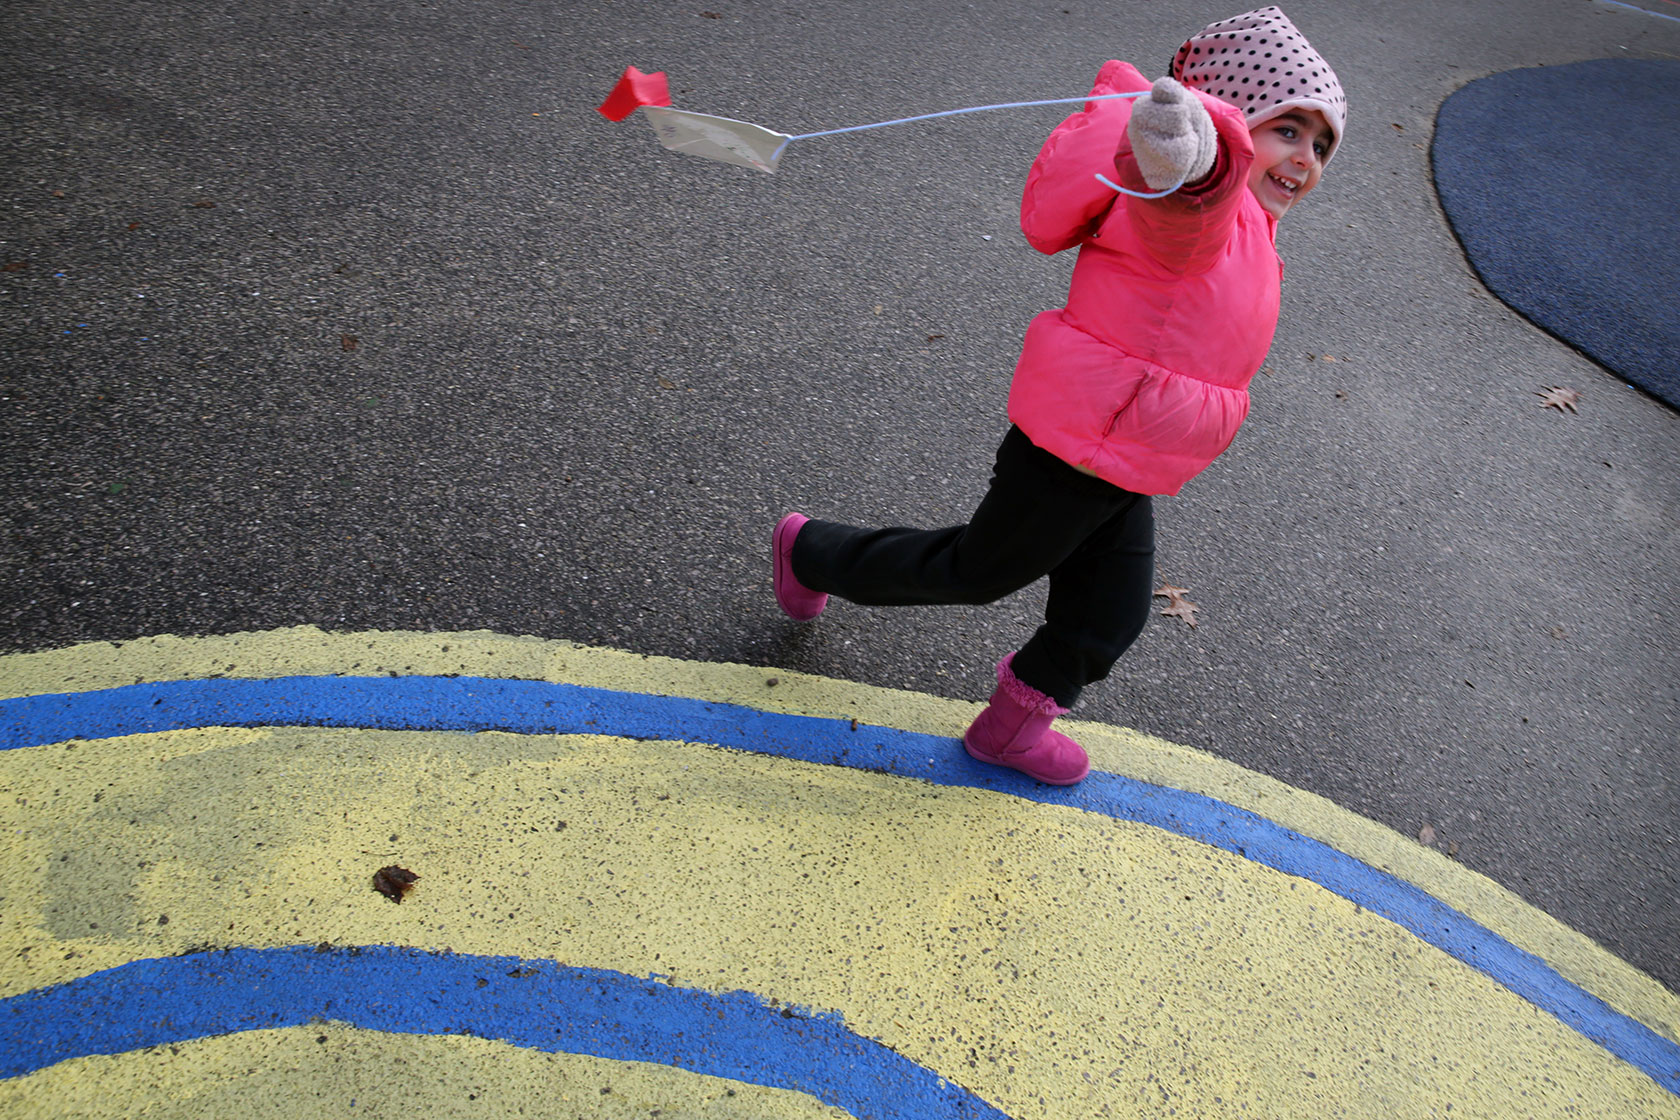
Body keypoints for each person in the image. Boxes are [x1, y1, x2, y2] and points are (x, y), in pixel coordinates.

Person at [771, 6, 1346, 785]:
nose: (1305, 158)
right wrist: (1191, 156)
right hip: (1081, 442)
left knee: (1108, 613)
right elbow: (1186, 205)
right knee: (974, 573)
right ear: (1233, 127)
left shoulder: (1254, 227)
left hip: (1129, 452)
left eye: (1321, 144)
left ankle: (1011, 729)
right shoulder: (1193, 203)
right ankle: (812, 552)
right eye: (1288, 131)